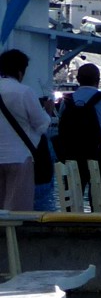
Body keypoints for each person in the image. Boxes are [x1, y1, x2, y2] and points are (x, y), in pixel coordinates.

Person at [57, 63, 101, 212]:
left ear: (78, 79)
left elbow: (61, 127)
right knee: (99, 197)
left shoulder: (66, 101)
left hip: (71, 155)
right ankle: (98, 222)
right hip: (96, 154)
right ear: (98, 79)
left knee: (71, 198)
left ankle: (70, 223)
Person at [0, 50, 54, 210]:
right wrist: (48, 111)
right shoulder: (24, 92)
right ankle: (13, 235)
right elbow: (42, 124)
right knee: (17, 209)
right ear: (20, 71)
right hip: (19, 157)